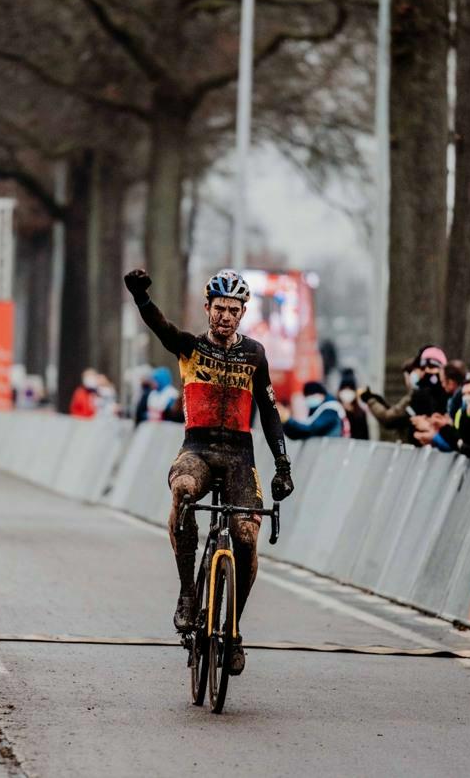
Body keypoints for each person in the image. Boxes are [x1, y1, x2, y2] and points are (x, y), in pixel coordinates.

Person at [123, 267, 293, 677]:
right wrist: (141, 296)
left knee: (247, 536)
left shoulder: (255, 354)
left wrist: (283, 465)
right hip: (197, 450)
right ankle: (187, 593)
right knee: (182, 490)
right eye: (219, 309)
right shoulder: (190, 347)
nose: (225, 317)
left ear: (243, 311)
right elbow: (160, 327)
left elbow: (269, 413)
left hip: (239, 457)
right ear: (208, 308)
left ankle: (232, 631)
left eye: (233, 310)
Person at [282, 381, 348, 440]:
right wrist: (286, 423)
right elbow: (298, 434)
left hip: (333, 450)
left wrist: (288, 421)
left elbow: (310, 429)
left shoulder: (330, 409)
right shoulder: (317, 411)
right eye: (306, 396)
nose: (309, 398)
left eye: (311, 395)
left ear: (321, 394)